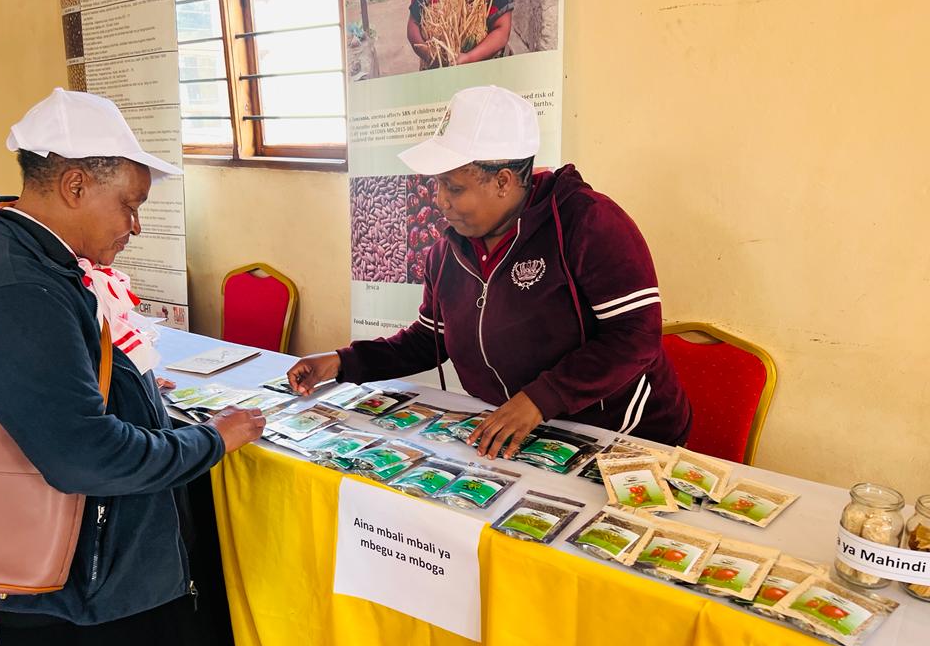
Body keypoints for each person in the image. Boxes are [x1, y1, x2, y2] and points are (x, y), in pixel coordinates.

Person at [0, 88, 265, 646]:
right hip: (80, 588)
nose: (134, 227)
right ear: (76, 185)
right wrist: (210, 442)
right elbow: (87, 453)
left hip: (88, 571)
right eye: (130, 206)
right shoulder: (15, 288)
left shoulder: (27, 254)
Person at [289, 85, 691, 458]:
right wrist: (344, 362)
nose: (441, 201)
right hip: (526, 438)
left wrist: (539, 399)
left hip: (620, 434)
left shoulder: (588, 223)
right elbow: (429, 340)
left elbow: (636, 337)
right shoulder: (447, 251)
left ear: (502, 181)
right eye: (438, 186)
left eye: (455, 187)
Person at [407, 0, 514, 68]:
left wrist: (469, 58)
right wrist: (429, 54)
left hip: (482, 69)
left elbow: (502, 30)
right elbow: (413, 24)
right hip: (437, 72)